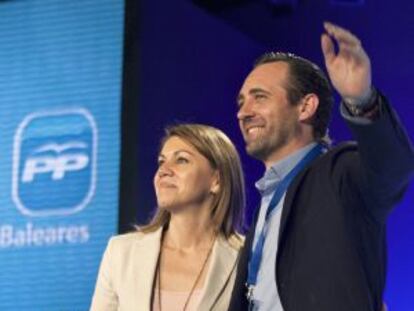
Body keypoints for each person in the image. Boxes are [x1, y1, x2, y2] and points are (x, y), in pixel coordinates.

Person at [229, 22, 414, 311]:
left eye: (259, 97)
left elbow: (392, 168)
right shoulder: (268, 200)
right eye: (241, 102)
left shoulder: (341, 175)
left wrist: (361, 100)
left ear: (305, 107)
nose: (243, 112)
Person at [90, 124, 245, 311]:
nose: (164, 171)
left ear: (216, 180)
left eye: (181, 160)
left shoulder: (246, 257)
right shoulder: (121, 253)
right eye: (161, 162)